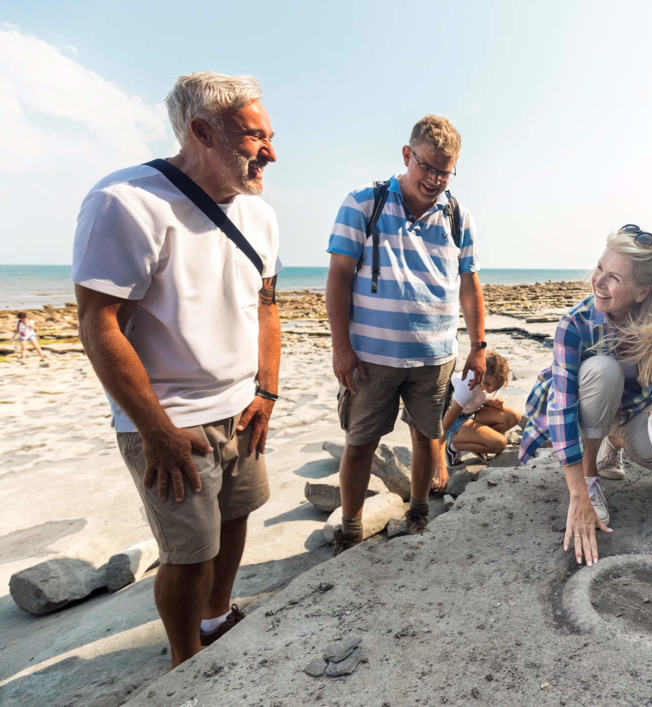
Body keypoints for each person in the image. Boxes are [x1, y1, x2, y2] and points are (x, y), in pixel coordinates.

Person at [72, 72, 281, 668]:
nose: (270, 152)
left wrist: (265, 390)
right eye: (254, 138)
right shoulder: (126, 201)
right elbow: (98, 323)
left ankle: (217, 618)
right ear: (202, 132)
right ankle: (184, 662)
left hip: (242, 408)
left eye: (270, 137)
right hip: (171, 420)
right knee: (188, 552)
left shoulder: (260, 215)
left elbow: (266, 306)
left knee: (237, 516)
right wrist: (156, 431)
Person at [326, 115, 485, 553]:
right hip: (370, 358)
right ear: (406, 156)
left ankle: (418, 512)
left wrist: (478, 347)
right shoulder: (364, 203)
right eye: (426, 167)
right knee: (360, 444)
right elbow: (338, 276)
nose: (434, 179)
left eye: (445, 171)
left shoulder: (458, 216)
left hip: (435, 358)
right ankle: (351, 528)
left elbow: (470, 284)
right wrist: (341, 348)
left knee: (426, 437)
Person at [519, 225, 652, 567]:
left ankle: (615, 444)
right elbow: (563, 405)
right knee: (604, 369)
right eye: (600, 268)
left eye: (613, 277)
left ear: (642, 292)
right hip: (587, 403)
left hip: (633, 408)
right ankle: (592, 472)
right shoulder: (576, 323)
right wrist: (579, 494)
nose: (597, 282)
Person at [443, 351, 519, 468]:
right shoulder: (467, 387)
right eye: (488, 384)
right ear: (481, 372)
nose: (491, 389)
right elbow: (444, 425)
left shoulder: (490, 380)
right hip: (453, 420)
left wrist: (493, 403)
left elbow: (480, 397)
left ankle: (479, 442)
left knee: (514, 416)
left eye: (497, 386)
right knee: (500, 444)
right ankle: (453, 447)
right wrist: (438, 462)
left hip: (471, 413)